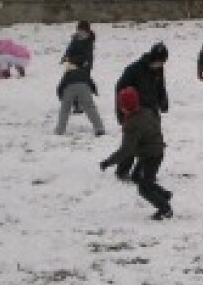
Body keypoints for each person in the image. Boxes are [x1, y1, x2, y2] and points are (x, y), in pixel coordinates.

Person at [99, 88, 172, 220]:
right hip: (154, 151)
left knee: (144, 188)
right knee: (136, 177)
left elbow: (126, 150)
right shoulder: (147, 112)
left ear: (123, 107)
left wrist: (108, 162)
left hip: (151, 156)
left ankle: (165, 209)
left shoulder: (133, 124)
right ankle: (164, 194)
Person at [112, 43, 169, 181]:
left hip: (152, 111)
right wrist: (121, 113)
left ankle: (143, 170)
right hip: (134, 112)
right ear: (152, 58)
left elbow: (160, 86)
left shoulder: (159, 69)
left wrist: (163, 102)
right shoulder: (133, 70)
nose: (161, 64)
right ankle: (122, 171)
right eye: (159, 61)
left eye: (163, 62)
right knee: (131, 143)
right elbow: (120, 90)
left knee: (151, 142)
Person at [55, 55, 105, 136]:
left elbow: (61, 86)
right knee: (90, 108)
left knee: (65, 109)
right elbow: (90, 82)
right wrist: (95, 91)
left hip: (69, 87)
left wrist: (61, 97)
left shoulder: (67, 74)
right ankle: (99, 128)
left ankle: (60, 130)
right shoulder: (83, 72)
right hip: (84, 86)